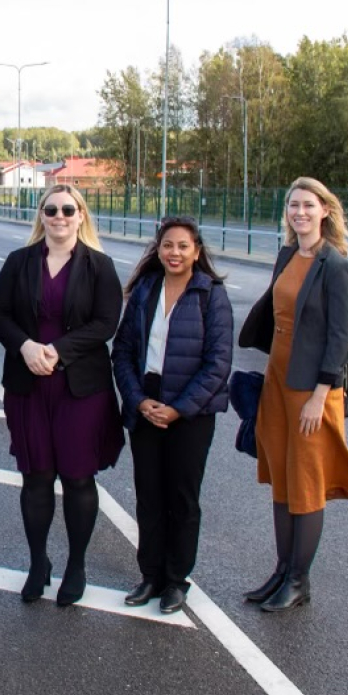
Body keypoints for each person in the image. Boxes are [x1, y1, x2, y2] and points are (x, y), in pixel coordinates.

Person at [239, 177, 348, 612]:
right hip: (278, 376)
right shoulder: (288, 255)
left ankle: (299, 580)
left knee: (307, 482)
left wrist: (320, 394)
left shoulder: (337, 267)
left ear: (324, 210)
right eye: (294, 205)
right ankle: (280, 570)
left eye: (308, 205)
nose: (300, 212)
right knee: (281, 476)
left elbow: (340, 337)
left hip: (314, 388)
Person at [0, 185, 124, 606]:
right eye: (51, 209)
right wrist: (26, 347)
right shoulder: (19, 262)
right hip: (29, 385)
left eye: (68, 209)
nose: (60, 216)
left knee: (78, 477)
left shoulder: (99, 266)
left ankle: (76, 565)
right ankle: (37, 562)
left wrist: (58, 351)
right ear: (42, 215)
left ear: (81, 215)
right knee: (36, 478)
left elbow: (106, 322)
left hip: (80, 387)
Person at [112, 216, 233, 615]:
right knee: (148, 496)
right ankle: (151, 575)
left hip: (191, 415)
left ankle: (177, 581)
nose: (174, 253)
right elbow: (124, 353)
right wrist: (137, 400)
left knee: (182, 498)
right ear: (158, 249)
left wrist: (179, 409)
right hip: (146, 406)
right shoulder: (146, 290)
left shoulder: (211, 295)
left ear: (197, 251)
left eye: (183, 246)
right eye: (168, 245)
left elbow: (218, 364)